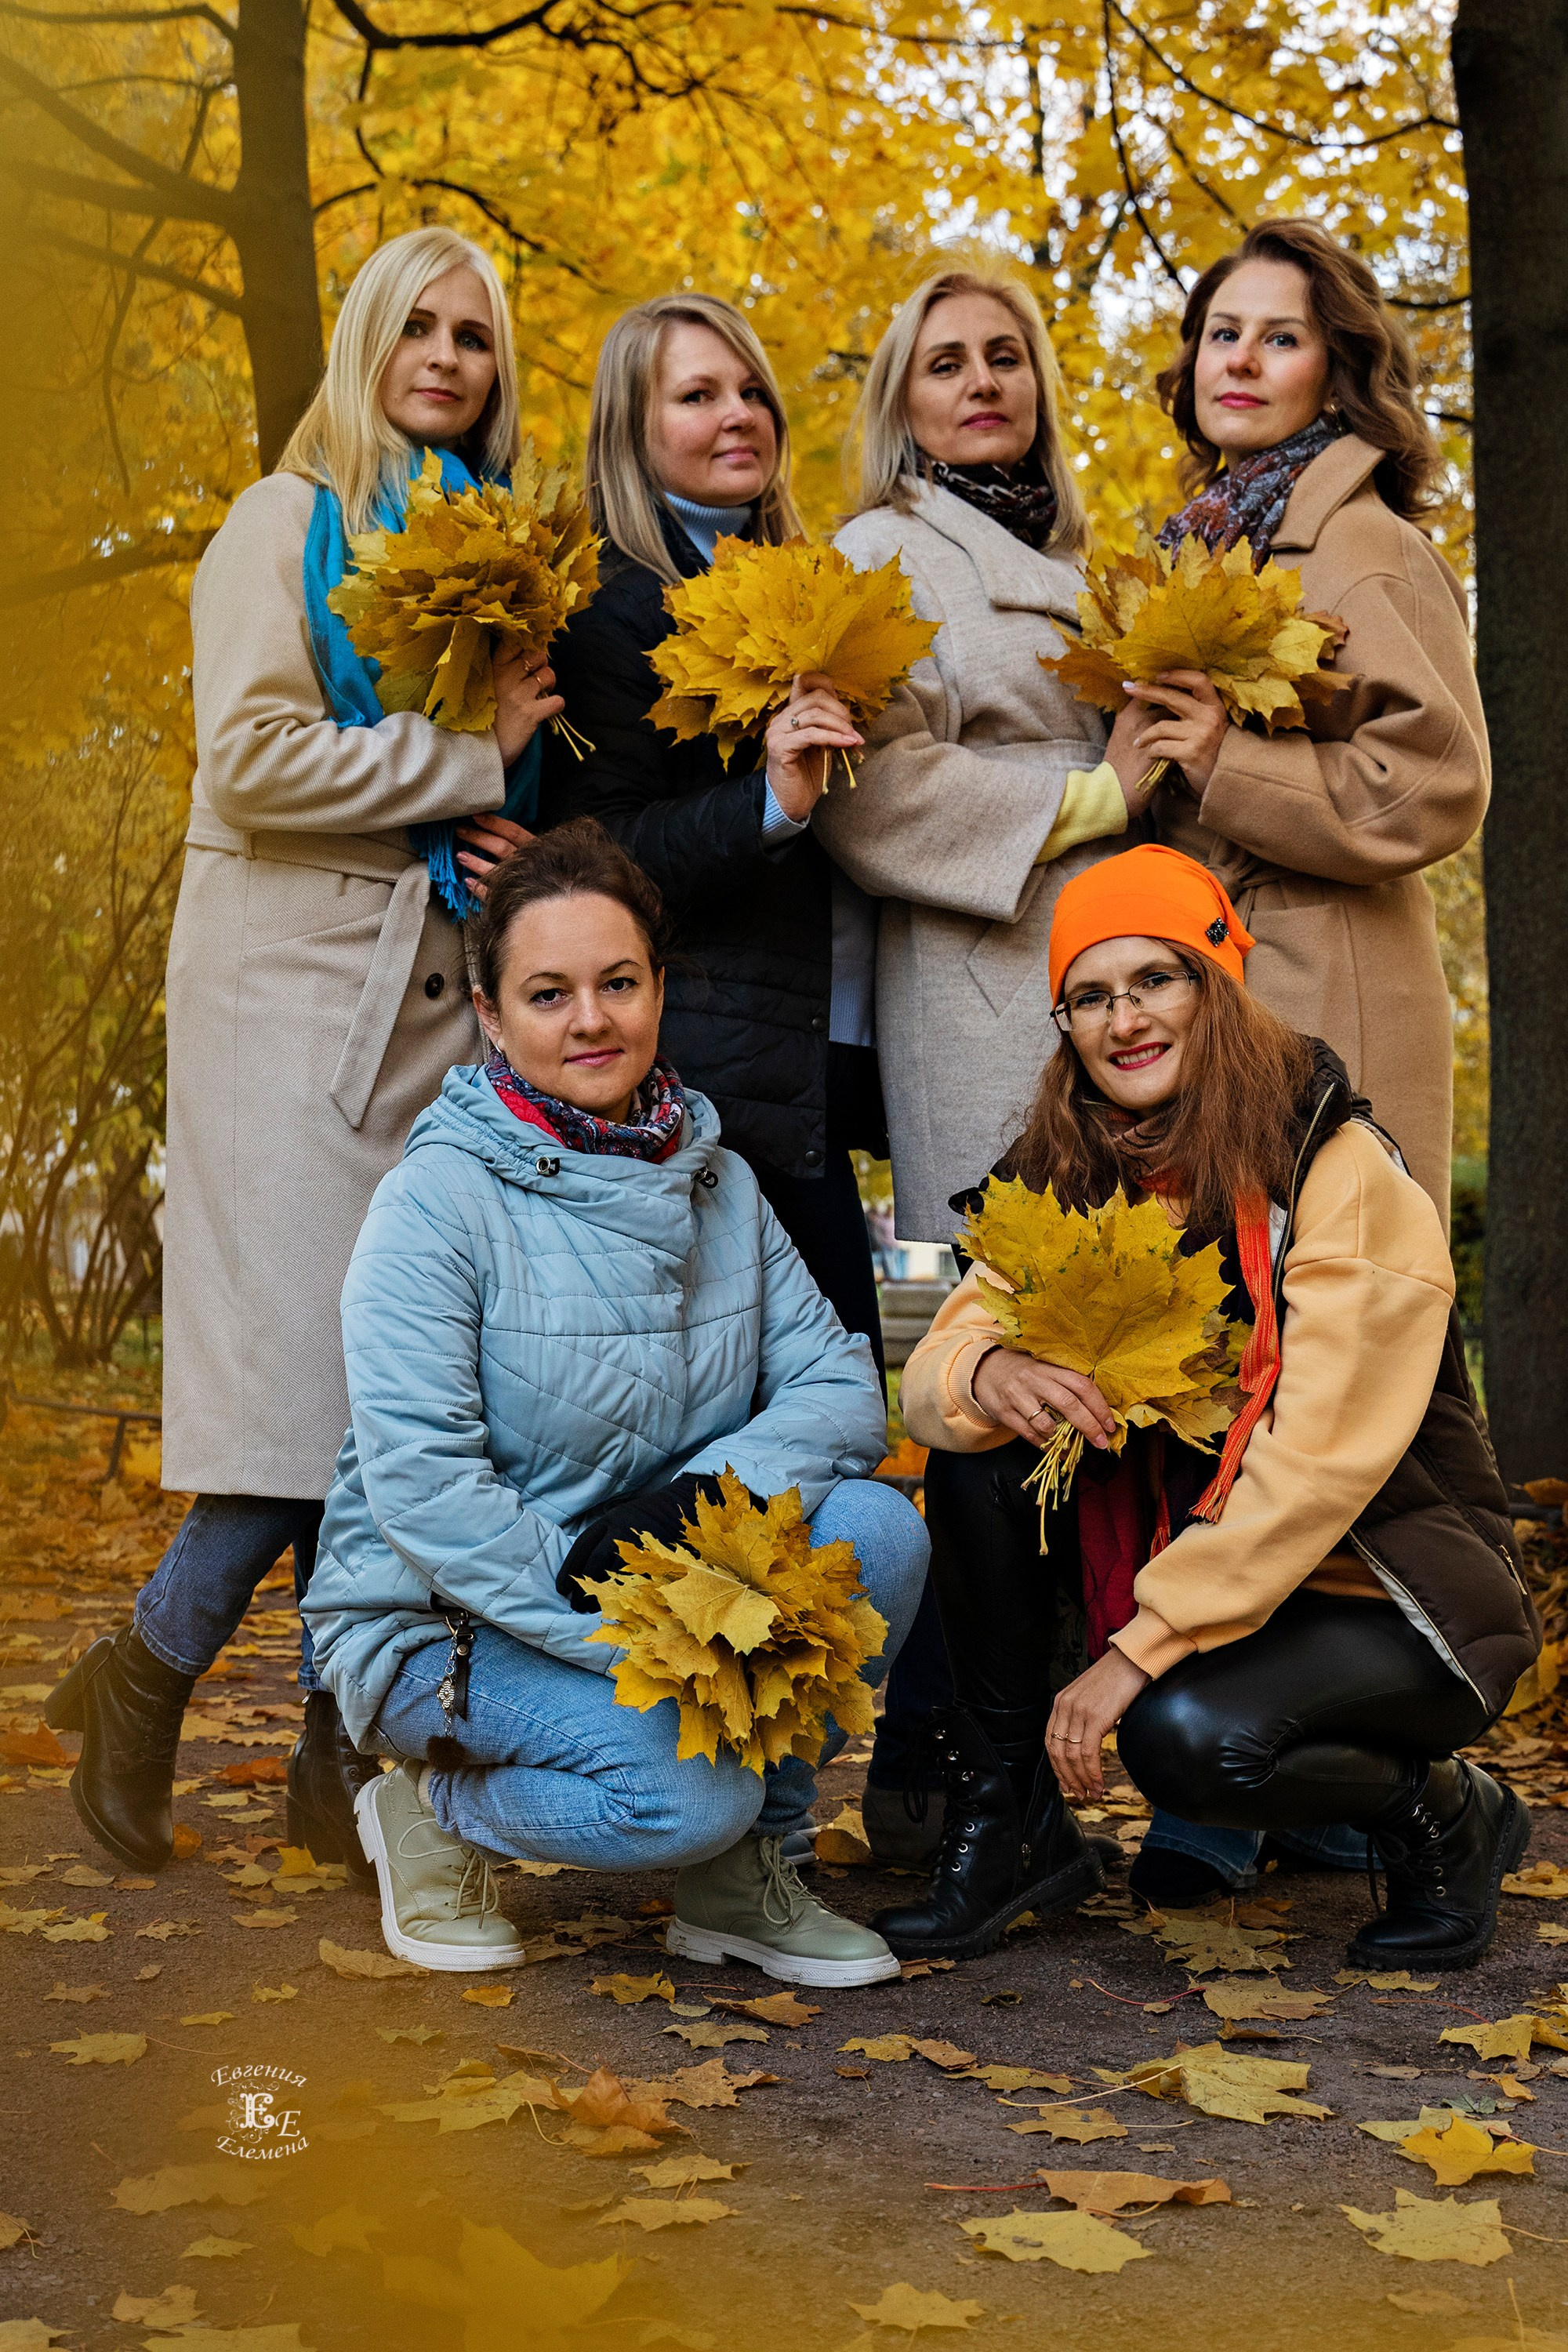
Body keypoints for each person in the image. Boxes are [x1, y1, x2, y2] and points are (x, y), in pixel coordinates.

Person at [45, 228, 563, 1878]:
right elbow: (257, 761)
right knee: (302, 1412)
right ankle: (149, 1679)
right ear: (359, 343)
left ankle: (326, 1758)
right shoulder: (284, 525)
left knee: (401, 1407)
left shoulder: (493, 564)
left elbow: (496, 781)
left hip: (429, 1009)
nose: (444, 356)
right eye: (416, 324)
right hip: (282, 1002)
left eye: (473, 336)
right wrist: (464, 761)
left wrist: (505, 835)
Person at [890, 844, 1539, 1969]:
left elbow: (1316, 1469)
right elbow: (931, 1381)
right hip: (1213, 1571)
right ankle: (1010, 1828)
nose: (1123, 1018)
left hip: (1383, 1594)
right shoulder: (1073, 1171)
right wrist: (985, 1373)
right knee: (982, 1457)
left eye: (1157, 978)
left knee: (1185, 1741)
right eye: (1088, 996)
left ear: (1218, 989)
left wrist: (1138, 1651)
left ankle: (1448, 1813)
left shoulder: (1335, 1171)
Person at [302, 821, 929, 1980]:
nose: (590, 1019)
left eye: (618, 983)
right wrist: (640, 1639)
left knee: (879, 1536)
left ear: (655, 992)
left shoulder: (719, 1182)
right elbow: (428, 1494)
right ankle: (431, 1815)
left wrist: (706, 1498)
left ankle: (745, 1872)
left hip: (666, 1584)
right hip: (444, 1619)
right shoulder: (435, 1203)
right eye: (549, 993)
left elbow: (842, 1386)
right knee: (684, 1791)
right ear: (491, 1014)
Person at [810, 263, 1150, 1860]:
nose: (979, 380)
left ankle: (977, 1768)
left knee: (1082, 1377)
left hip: (1105, 1004)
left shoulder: (1078, 568)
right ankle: (949, 1772)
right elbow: (874, 801)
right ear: (905, 400)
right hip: (969, 1001)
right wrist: (1097, 800)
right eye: (943, 362)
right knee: (974, 1377)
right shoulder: (882, 555)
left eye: (1003, 354)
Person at [522, 294, 887, 1384]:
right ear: (630, 434)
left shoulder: (805, 587)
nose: (739, 416)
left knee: (839, 1385)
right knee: (808, 1391)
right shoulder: (611, 610)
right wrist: (769, 801)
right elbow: (600, 852)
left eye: (751, 392)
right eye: (696, 396)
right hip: (711, 1071)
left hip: (822, 1044)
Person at [1135, 216, 1488, 1218]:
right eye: (1220, 332)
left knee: (1351, 1334)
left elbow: (1438, 780)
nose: (1239, 359)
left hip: (1332, 995)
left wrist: (1226, 764)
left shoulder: (1361, 546)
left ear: (1335, 374)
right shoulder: (1196, 549)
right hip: (1212, 993)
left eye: (1279, 338)